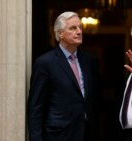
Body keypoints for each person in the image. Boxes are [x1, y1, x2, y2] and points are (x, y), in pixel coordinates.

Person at [27, 11, 100, 141]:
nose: (79, 32)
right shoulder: (45, 63)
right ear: (60, 33)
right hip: (58, 135)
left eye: (80, 27)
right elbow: (36, 107)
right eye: (73, 28)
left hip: (87, 133)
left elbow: (94, 99)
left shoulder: (90, 61)